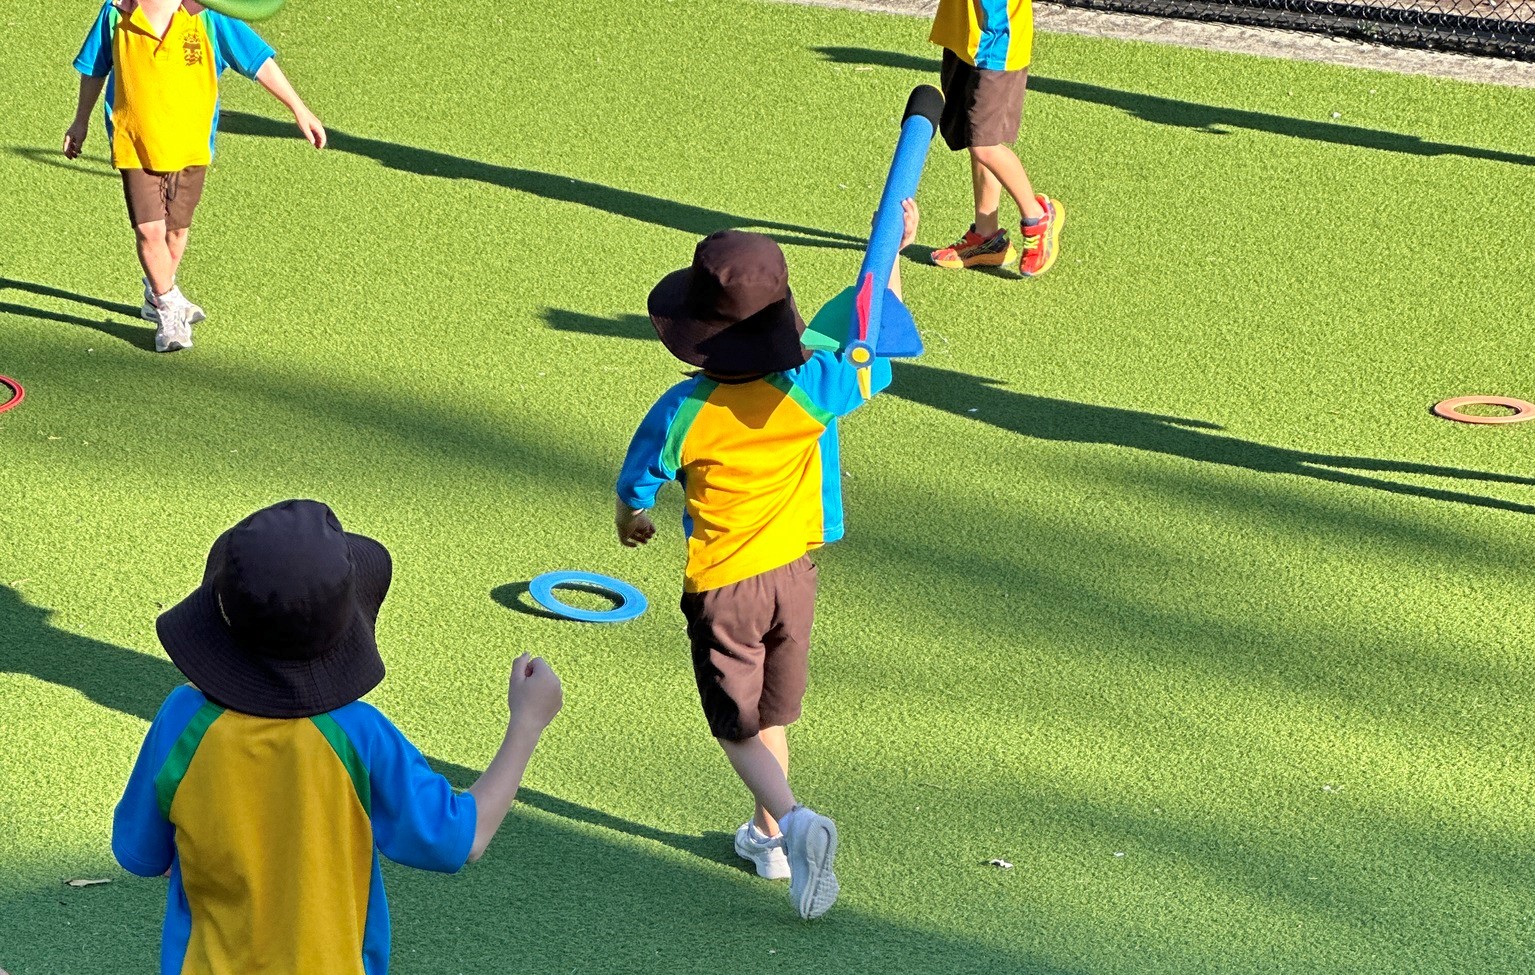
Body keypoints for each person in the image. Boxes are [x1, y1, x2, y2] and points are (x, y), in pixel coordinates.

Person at [614, 202, 920, 920]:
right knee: (772, 708)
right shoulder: (815, 387)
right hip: (795, 577)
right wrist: (892, 252)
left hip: (724, 586)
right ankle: (770, 834)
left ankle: (797, 818)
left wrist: (632, 520)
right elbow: (873, 337)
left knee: (734, 726)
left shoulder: (683, 409)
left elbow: (637, 485)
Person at [112, 499, 563, 973]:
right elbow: (463, 837)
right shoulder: (358, 736)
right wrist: (527, 723)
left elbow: (143, 853)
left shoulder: (182, 718)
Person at [64, 0, 327, 352]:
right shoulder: (116, 12)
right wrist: (80, 121)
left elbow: (258, 61)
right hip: (135, 143)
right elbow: (95, 69)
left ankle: (156, 293)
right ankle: (168, 306)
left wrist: (299, 108)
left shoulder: (207, 14)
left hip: (191, 144)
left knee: (175, 231)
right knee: (149, 230)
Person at [927, 0, 1064, 275]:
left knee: (984, 145)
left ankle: (1038, 216)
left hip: (998, 45)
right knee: (974, 137)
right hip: (965, 37)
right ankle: (987, 236)